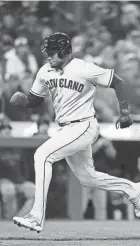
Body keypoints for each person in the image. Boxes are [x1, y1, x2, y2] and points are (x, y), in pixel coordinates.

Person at [10, 32, 139, 234]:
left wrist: (124, 112)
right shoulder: (45, 71)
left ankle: (36, 217)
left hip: (84, 125)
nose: (49, 56)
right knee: (88, 178)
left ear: (65, 51)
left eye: (52, 52)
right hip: (66, 128)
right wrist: (24, 101)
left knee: (42, 155)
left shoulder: (83, 68)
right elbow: (35, 100)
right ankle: (135, 190)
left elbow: (118, 81)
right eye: (48, 52)